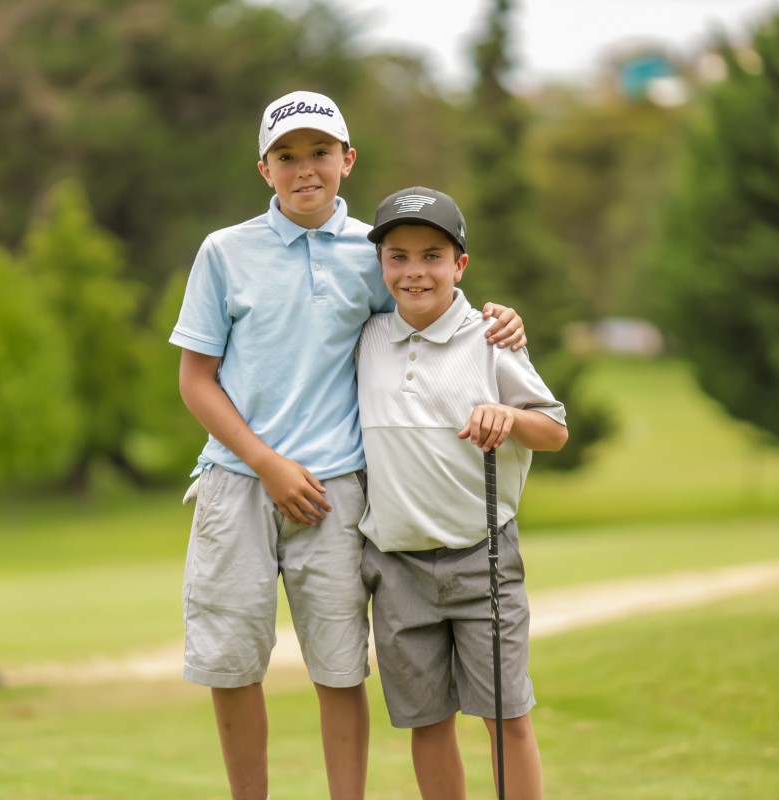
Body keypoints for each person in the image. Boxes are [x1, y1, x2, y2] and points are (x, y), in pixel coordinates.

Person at [169, 91, 527, 800]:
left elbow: (433, 309)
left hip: (336, 490)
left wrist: (500, 317)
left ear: (347, 160)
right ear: (264, 169)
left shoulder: (374, 252)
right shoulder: (225, 252)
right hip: (236, 480)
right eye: (286, 156)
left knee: (338, 669)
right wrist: (266, 463)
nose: (305, 169)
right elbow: (195, 380)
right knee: (232, 666)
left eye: (320, 153)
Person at [357, 186, 567, 800]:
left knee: (506, 716)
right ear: (381, 264)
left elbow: (553, 430)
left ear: (460, 264)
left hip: (482, 557)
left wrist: (509, 415)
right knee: (426, 722)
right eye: (398, 257)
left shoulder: (491, 337)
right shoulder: (365, 337)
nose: (415, 271)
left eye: (432, 256)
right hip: (395, 564)